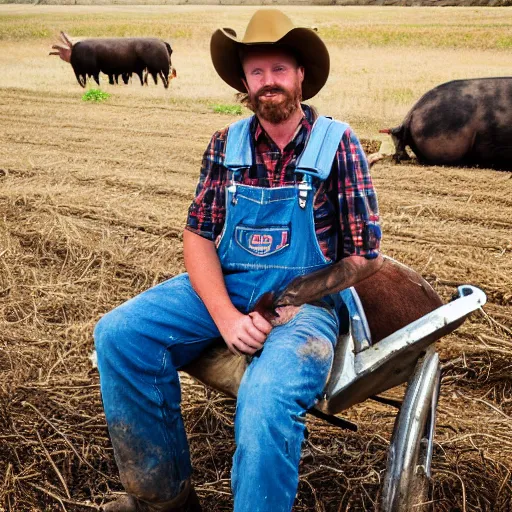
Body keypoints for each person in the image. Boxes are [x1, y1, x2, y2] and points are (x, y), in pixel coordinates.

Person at [94, 8, 381, 512]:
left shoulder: (339, 144)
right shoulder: (226, 144)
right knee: (120, 336)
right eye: (257, 72)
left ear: (300, 77)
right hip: (229, 285)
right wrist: (226, 315)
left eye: (279, 70)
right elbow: (199, 235)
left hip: (306, 302)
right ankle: (165, 497)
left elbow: (364, 257)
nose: (268, 82)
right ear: (244, 82)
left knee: (266, 398)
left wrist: (286, 302)